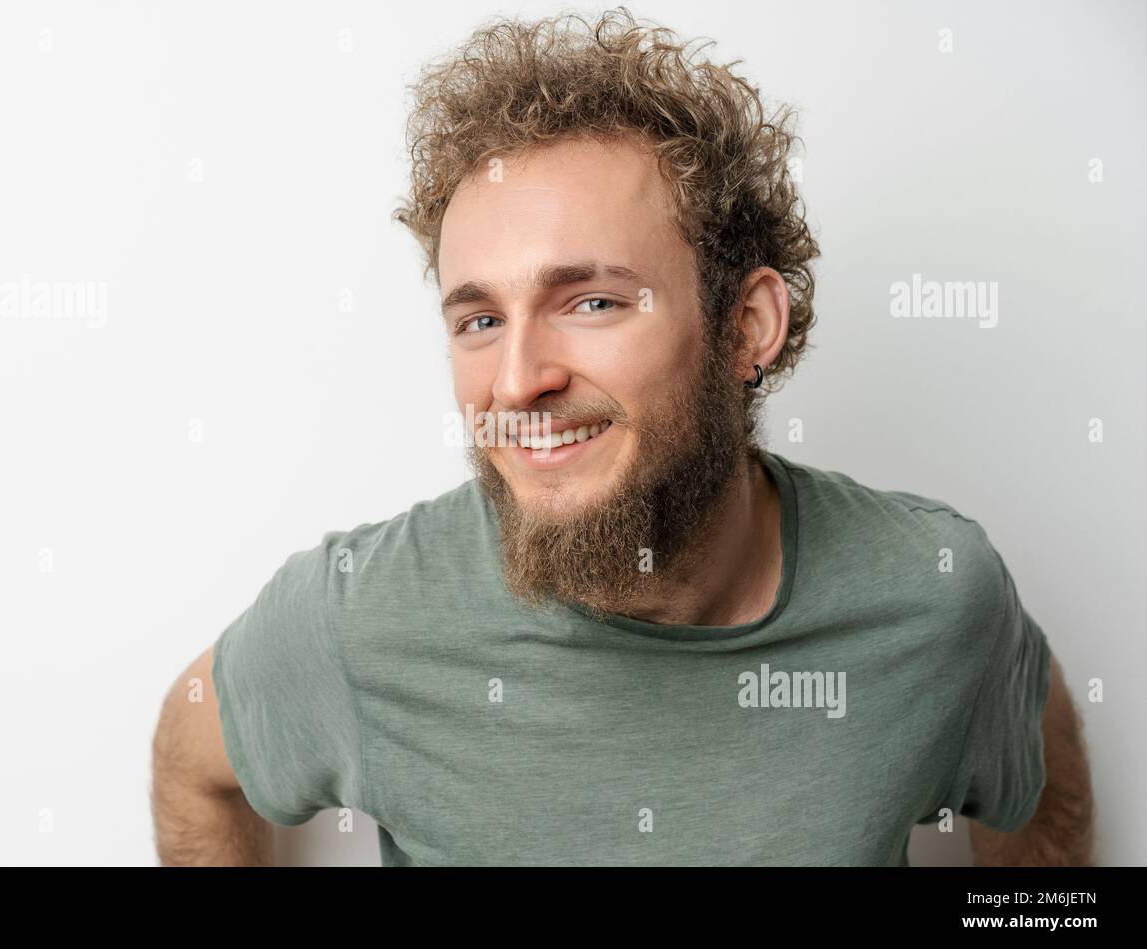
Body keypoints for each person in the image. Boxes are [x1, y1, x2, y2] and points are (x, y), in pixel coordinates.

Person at [151, 7, 1093, 866]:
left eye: (592, 301)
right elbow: (192, 759)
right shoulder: (355, 619)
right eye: (479, 320)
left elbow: (1037, 781)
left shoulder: (935, 596)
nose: (517, 380)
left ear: (745, 325)